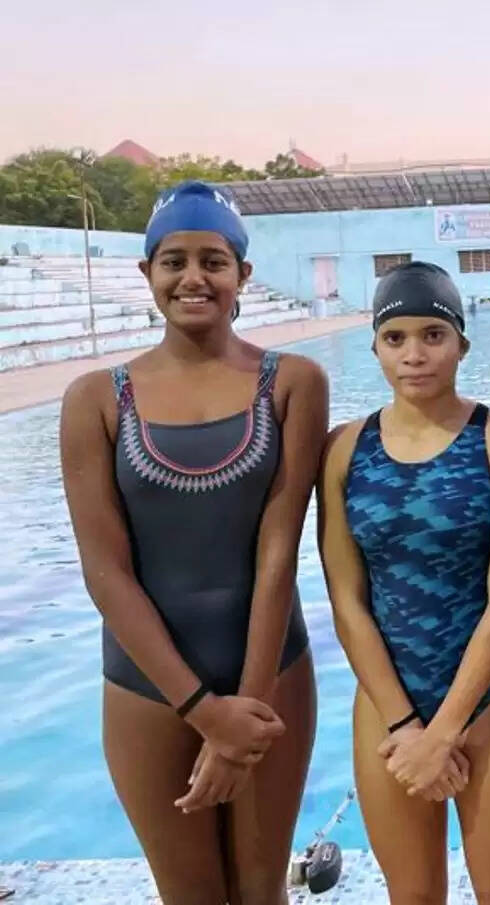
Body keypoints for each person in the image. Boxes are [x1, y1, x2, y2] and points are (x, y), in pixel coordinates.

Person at [59, 181, 328, 905]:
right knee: (190, 895)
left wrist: (244, 704)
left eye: (213, 259)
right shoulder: (95, 398)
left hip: (270, 674)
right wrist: (204, 711)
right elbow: (105, 571)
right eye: (172, 260)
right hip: (146, 688)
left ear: (243, 275)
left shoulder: (293, 382)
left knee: (261, 890)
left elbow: (279, 553)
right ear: (146, 275)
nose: (193, 277)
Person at [318, 262, 490, 904]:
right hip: (388, 711)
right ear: (376, 348)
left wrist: (443, 732)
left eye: (433, 335)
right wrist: (407, 726)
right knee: (411, 895)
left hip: (488, 701)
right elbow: (347, 602)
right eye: (396, 339)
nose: (414, 354)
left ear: (462, 344)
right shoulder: (343, 450)